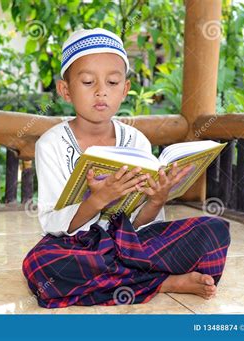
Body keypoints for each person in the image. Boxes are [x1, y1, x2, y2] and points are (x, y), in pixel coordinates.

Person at [22, 28, 231, 309]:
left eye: (112, 82)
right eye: (87, 81)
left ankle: (128, 278)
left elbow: (142, 226)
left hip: (133, 243)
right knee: (42, 265)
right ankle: (163, 281)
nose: (101, 91)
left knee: (214, 231)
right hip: (81, 246)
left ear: (125, 89)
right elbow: (52, 223)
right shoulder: (51, 144)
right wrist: (98, 199)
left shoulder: (136, 141)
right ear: (65, 90)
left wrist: (157, 198)